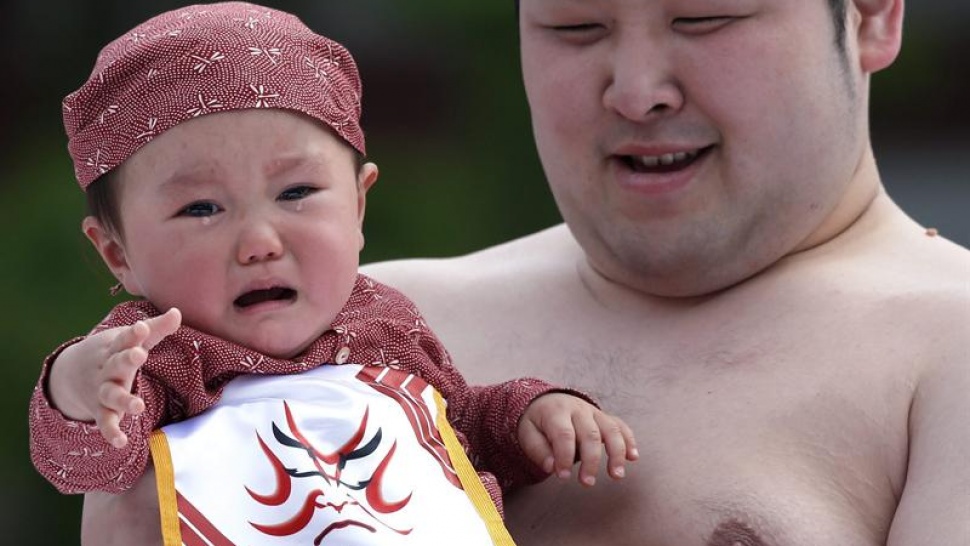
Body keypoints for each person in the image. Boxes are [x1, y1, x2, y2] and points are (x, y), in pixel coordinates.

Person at [80, 0, 970, 544]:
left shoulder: (947, 347)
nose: (636, 89)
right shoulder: (350, 321)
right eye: (574, 27)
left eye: (706, 18)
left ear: (871, 13)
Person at [28, 3, 637, 545]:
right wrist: (81, 388)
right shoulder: (156, 355)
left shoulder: (386, 327)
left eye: (295, 192)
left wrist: (532, 415)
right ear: (118, 253)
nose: (260, 243)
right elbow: (87, 461)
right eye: (201, 208)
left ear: (359, 205)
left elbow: (457, 430)